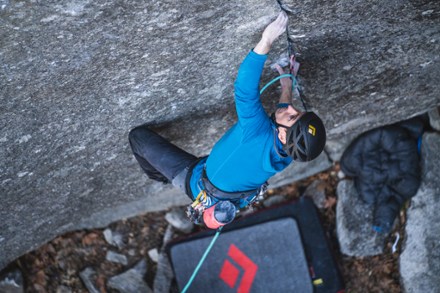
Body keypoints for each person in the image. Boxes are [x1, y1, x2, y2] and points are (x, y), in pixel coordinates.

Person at [129, 12, 326, 229]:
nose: (290, 107)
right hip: (219, 183)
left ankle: (160, 177)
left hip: (193, 179)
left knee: (138, 138)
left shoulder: (256, 131)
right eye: (296, 111)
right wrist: (288, 86)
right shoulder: (289, 153)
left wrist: (266, 40)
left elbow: (244, 90)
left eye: (292, 115)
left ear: (281, 135)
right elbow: (283, 121)